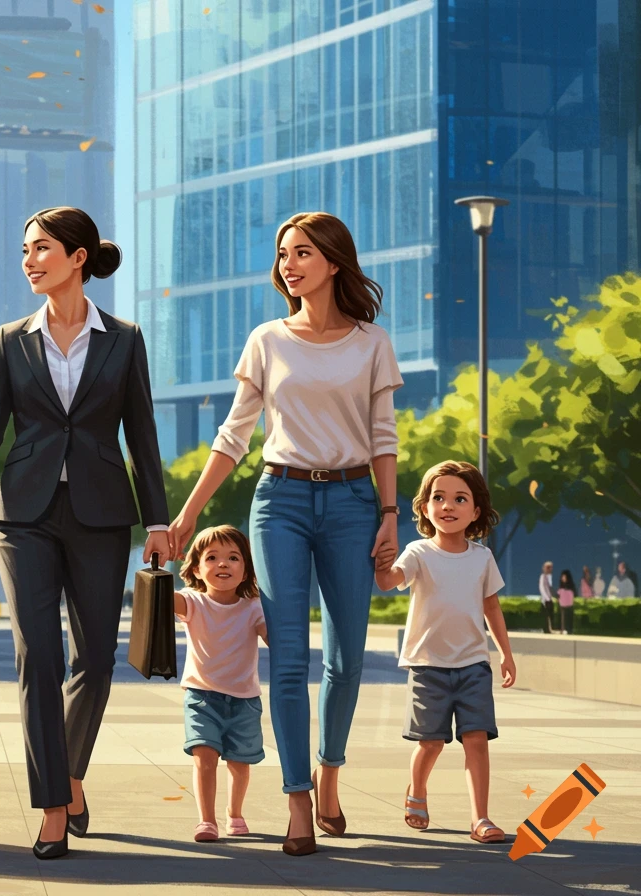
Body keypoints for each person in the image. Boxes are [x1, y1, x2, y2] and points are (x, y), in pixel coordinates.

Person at [0, 207, 170, 859]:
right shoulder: (12, 339)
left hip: (103, 514)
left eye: (42, 249)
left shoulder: (123, 339)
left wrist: (161, 520)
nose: (30, 260)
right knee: (39, 656)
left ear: (78, 257)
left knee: (96, 661)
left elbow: (142, 437)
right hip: (23, 516)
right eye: (25, 250)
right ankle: (54, 806)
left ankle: (70, 773)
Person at [170, 212, 401, 857]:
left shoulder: (372, 343)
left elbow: (384, 438)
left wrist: (389, 514)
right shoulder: (267, 339)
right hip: (281, 499)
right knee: (291, 657)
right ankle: (298, 799)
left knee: (348, 658)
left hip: (356, 500)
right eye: (282, 253)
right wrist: (189, 513)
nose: (288, 263)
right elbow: (233, 436)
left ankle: (330, 770)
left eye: (301, 252)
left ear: (333, 261)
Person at [375, 460, 514, 846]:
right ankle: (417, 789)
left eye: (459, 498)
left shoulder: (482, 557)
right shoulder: (418, 552)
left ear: (476, 511)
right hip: (427, 667)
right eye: (438, 497)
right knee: (430, 742)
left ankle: (481, 818)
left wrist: (506, 653)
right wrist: (382, 561)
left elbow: (492, 608)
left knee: (476, 741)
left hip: (473, 665)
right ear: (424, 507)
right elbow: (390, 582)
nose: (447, 506)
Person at [175, 525, 268, 843]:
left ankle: (234, 813)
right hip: (202, 697)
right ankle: (206, 820)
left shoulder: (254, 605)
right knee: (205, 756)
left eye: (233, 557)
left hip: (244, 699)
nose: (223, 564)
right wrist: (162, 563)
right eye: (211, 557)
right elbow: (164, 598)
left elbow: (272, 637)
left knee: (240, 763)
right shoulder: (192, 602)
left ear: (246, 571)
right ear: (197, 569)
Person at [537, 561, 556, 633]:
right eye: (548, 567)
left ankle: (550, 629)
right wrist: (547, 598)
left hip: (549, 599)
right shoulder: (542, 577)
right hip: (546, 600)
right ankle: (546, 629)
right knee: (546, 615)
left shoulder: (548, 577)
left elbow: (549, 588)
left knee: (550, 615)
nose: (550, 569)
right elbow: (542, 588)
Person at [557, 570, 576, 634]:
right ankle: (562, 629)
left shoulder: (571, 586)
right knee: (562, 619)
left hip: (569, 605)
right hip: (562, 605)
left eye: (564, 577)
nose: (563, 578)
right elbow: (558, 595)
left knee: (569, 619)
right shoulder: (561, 586)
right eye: (562, 577)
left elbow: (574, 594)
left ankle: (569, 630)